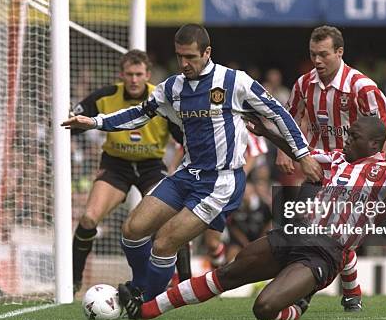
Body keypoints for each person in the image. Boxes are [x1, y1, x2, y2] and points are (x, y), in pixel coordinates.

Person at [62, 24, 322, 304]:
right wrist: (95, 122)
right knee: (133, 229)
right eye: (179, 57)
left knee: (164, 242)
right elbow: (140, 114)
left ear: (207, 52)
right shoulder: (172, 87)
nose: (184, 64)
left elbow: (280, 114)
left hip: (221, 181)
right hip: (188, 174)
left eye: (190, 57)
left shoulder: (235, 81)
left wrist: (303, 155)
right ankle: (140, 287)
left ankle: (147, 300)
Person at [118, 116, 386, 320]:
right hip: (295, 233)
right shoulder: (335, 161)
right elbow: (298, 148)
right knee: (229, 272)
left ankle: (298, 304)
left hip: (325, 253)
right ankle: (148, 310)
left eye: (353, 136)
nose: (345, 140)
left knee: (263, 308)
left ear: (374, 143)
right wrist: (266, 132)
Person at [276, 25, 386, 312]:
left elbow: (385, 127)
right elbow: (290, 120)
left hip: (352, 171)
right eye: (312, 54)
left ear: (339, 52)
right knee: (309, 230)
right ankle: (342, 292)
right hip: (318, 167)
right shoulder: (304, 84)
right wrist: (284, 151)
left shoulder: (362, 86)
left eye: (323, 55)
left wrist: (372, 170)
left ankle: (329, 293)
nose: (317, 61)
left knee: (336, 236)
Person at [69, 50, 182, 293]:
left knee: (172, 219)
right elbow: (76, 120)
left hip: (151, 167)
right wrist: (65, 122)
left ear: (147, 75)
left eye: (138, 74)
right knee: (89, 217)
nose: (133, 79)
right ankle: (73, 281)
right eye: (129, 74)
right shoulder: (105, 96)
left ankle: (182, 282)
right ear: (121, 75)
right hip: (115, 165)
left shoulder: (161, 98)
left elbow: (183, 137)